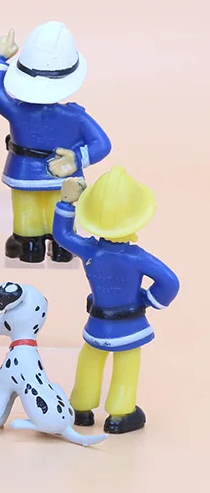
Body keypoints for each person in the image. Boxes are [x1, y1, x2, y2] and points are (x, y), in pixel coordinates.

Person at [53, 170, 180, 434]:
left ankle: (81, 408)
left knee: (90, 359)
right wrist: (147, 300)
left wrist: (66, 203)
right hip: (130, 325)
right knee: (126, 365)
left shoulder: (89, 249)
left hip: (97, 323)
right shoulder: (138, 257)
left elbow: (62, 235)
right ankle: (120, 414)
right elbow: (170, 282)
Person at [0, 24, 111, 263]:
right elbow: (102, 144)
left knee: (27, 209)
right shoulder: (76, 116)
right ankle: (61, 243)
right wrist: (77, 159)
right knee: (60, 207)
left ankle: (29, 244)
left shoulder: (17, 110)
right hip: (61, 178)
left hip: (24, 172)